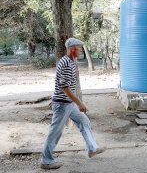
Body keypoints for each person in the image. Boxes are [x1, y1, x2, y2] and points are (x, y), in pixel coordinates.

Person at [40, 38, 106, 170]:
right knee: (55, 132)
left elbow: (61, 83)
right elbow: (65, 87)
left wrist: (55, 97)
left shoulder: (70, 61)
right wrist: (79, 103)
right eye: (79, 48)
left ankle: (92, 148)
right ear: (72, 49)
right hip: (63, 104)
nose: (81, 50)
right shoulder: (66, 63)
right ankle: (46, 161)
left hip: (67, 103)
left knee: (84, 121)